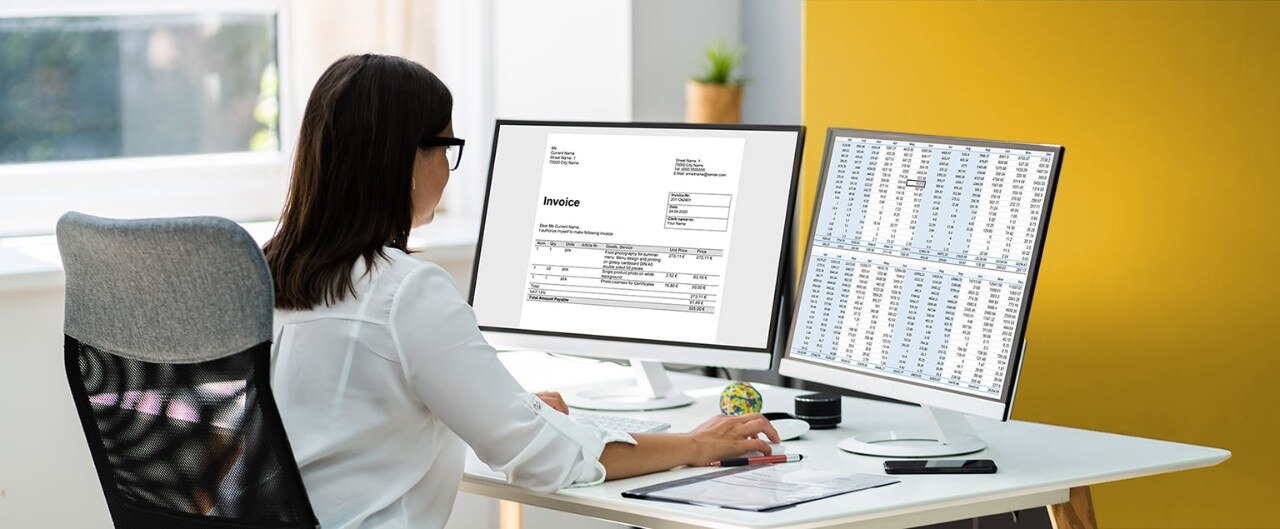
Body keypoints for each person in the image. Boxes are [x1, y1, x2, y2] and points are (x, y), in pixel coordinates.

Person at [263, 54, 779, 529]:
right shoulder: (406, 291)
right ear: (404, 159)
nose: (447, 167)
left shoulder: (263, 276)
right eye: (446, 146)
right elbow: (543, 460)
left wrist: (504, 405)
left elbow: (347, 416)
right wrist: (693, 444)